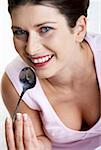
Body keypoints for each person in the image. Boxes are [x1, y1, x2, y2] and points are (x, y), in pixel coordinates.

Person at [1, 0, 101, 149]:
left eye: (45, 29)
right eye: (20, 32)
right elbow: (40, 139)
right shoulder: (16, 82)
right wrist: (35, 145)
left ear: (79, 29)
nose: (31, 49)